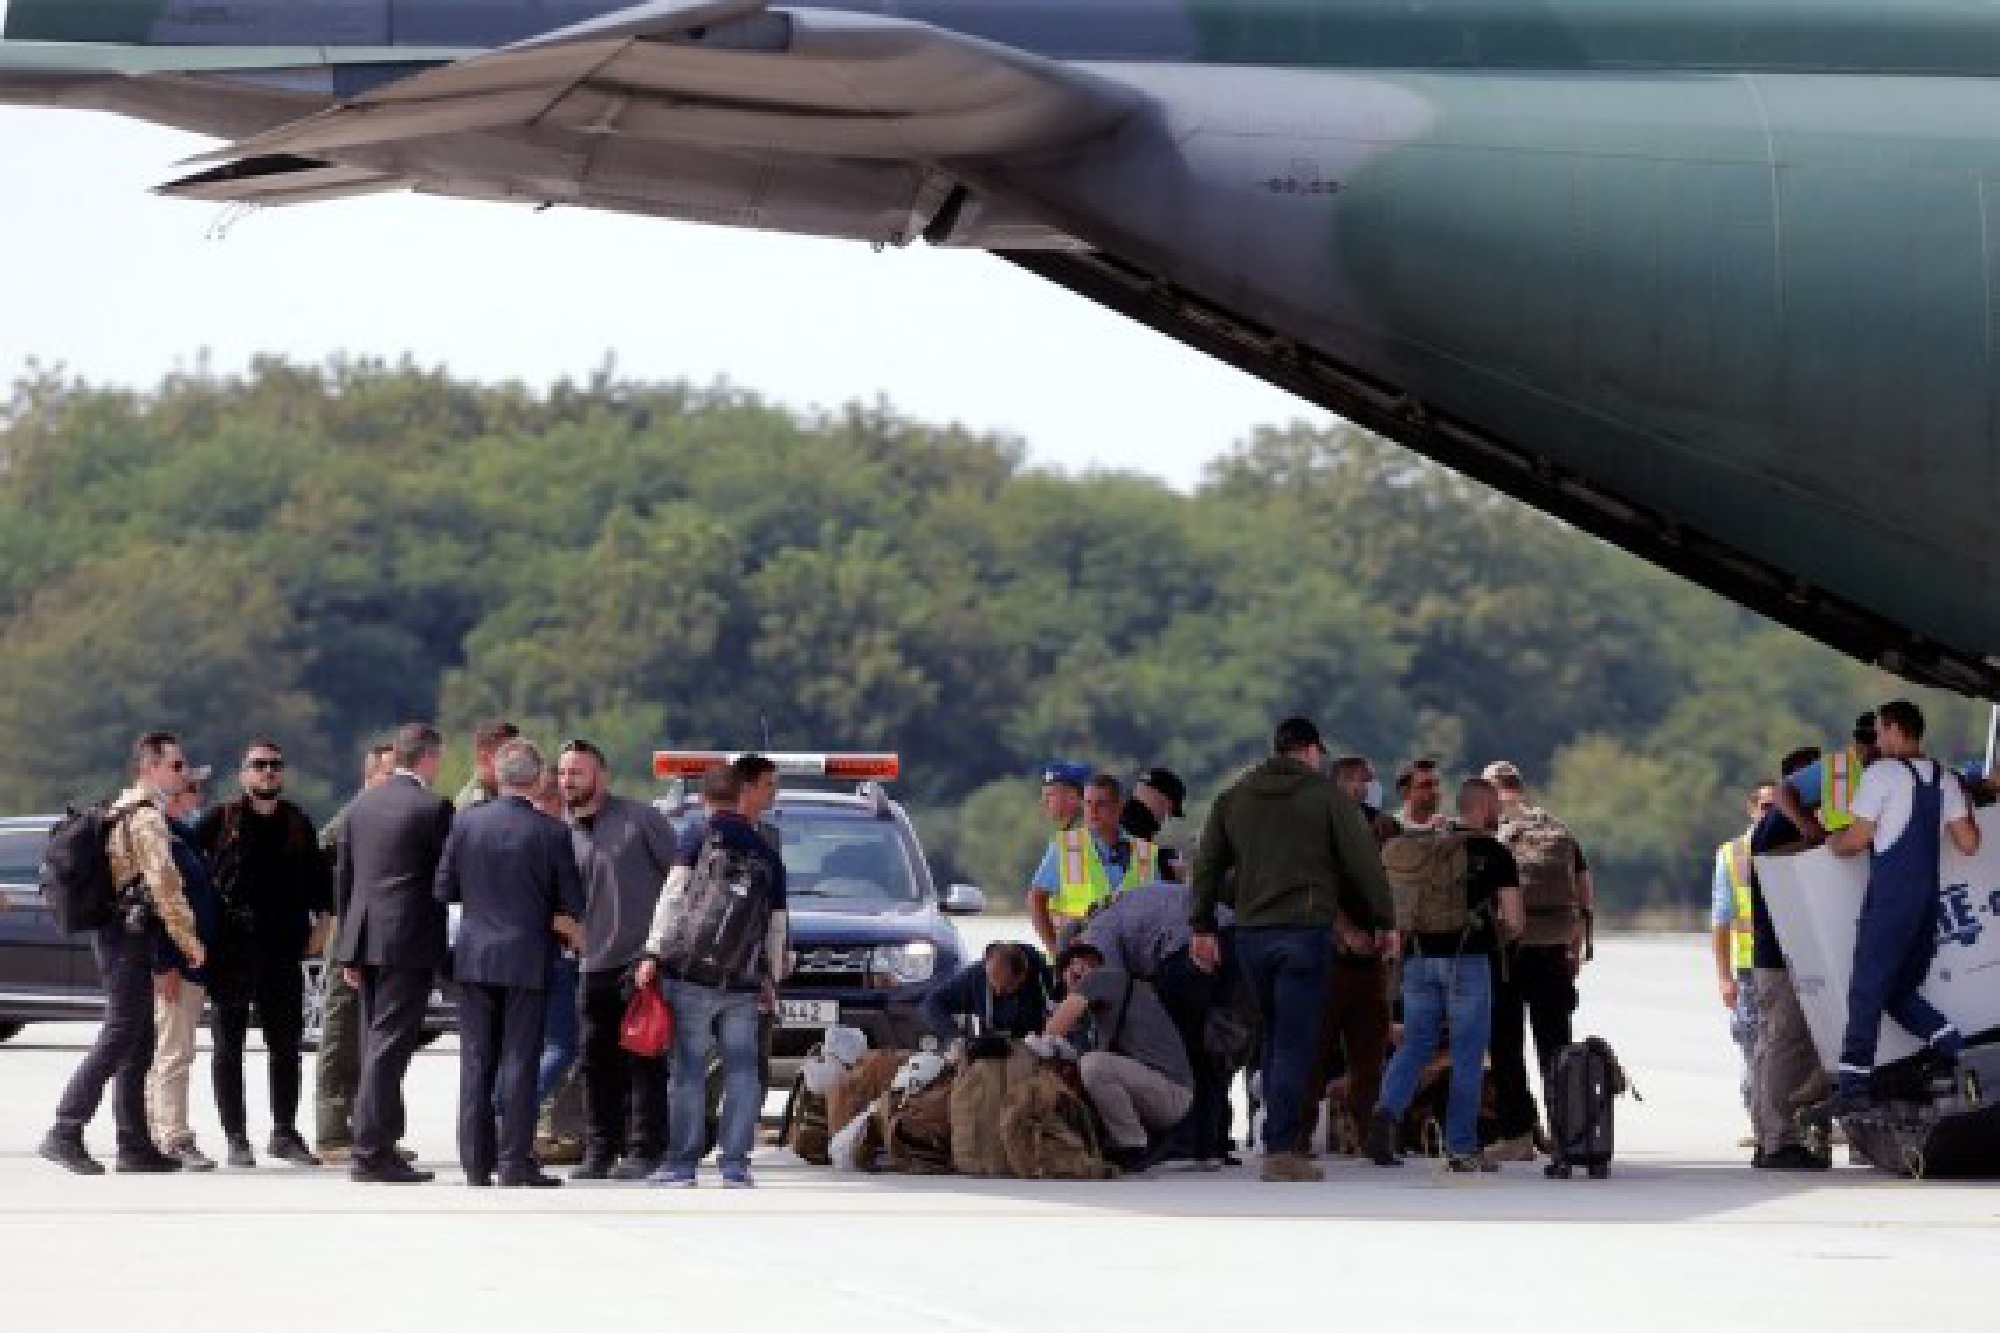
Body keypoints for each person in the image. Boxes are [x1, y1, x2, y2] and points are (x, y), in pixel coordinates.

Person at [1190, 716, 1395, 1183]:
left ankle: (1273, 1136)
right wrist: (1385, 920)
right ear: (1310, 750)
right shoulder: (1326, 798)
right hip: (1303, 933)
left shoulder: (1233, 797)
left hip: (1250, 937)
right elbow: (1363, 863)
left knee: (1272, 1036)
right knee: (1294, 1041)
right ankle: (1281, 1148)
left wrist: (1201, 925)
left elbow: (1206, 864)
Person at [41, 731, 206, 1175]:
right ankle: (65, 1129)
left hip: (127, 933)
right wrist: (190, 941)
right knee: (121, 1033)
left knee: (140, 1039)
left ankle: (134, 1144)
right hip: (125, 936)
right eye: (176, 766)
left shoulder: (126, 809)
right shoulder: (145, 817)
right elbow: (164, 883)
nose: (183, 773)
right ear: (149, 769)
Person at [1811, 700, 1980, 1123]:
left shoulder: (1881, 774)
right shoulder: (1943, 777)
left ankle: (1853, 1089)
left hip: (1891, 898)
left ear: (1897, 730)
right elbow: (1969, 843)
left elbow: (1854, 842)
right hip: (1927, 901)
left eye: (1880, 731)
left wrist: (1830, 840)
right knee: (1898, 990)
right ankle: (1955, 1050)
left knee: (1866, 989)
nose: (1877, 740)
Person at [436, 739, 586, 1188]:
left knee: (476, 1062)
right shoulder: (552, 833)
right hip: (527, 957)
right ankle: (515, 1162)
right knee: (521, 1060)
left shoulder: (464, 825)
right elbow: (573, 903)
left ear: (498, 776)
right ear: (539, 779)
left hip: (476, 955)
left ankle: (475, 1163)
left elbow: (444, 889)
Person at [636, 759, 790, 1188]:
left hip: (689, 975)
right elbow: (776, 927)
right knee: (743, 1071)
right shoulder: (768, 853)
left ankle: (682, 1166)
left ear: (704, 799)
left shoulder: (696, 836)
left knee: (687, 1071)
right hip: (741, 983)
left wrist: (653, 952)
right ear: (742, 793)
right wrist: (770, 978)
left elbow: (672, 897)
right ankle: (735, 1166)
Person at [1367, 777, 1524, 1172]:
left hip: (1418, 959)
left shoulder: (1428, 846)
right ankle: (1461, 1148)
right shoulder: (1493, 852)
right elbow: (1516, 920)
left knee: (1416, 1044)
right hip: (1468, 961)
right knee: (1468, 1053)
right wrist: (1495, 939)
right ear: (1485, 807)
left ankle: (1386, 1113)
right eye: (1496, 808)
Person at [191, 738, 334, 1168]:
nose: (268, 771)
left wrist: (323, 926)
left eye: (274, 764)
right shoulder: (221, 820)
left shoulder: (297, 823)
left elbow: (319, 882)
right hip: (231, 952)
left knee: (286, 1047)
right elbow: (190, 874)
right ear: (243, 774)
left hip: (282, 951)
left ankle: (284, 1133)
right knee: (227, 1047)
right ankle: (236, 1136)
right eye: (259, 765)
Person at [335, 722, 454, 1184]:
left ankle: (379, 1143)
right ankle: (369, 1151)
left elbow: (345, 878)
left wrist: (348, 948)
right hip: (408, 938)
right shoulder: (433, 807)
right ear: (428, 757)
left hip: (366, 938)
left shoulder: (362, 804)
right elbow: (447, 878)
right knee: (390, 1045)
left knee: (376, 1042)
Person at [558, 738, 681, 1181]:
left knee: (645, 1060)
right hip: (590, 968)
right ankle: (599, 1151)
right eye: (563, 773)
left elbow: (681, 882)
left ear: (600, 777)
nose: (568, 781)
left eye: (577, 772)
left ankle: (645, 1149)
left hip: (641, 963)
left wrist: (661, 949)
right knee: (595, 1062)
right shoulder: (560, 832)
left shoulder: (641, 820)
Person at [1481, 759, 1595, 1163]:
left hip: (1508, 952)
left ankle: (1517, 1136)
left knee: (1507, 1046)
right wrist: (1575, 944)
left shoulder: (1491, 830)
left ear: (1491, 790)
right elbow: (1583, 889)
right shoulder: (1557, 828)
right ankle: (1567, 1133)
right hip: (1553, 949)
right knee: (1555, 1044)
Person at [1080, 878, 1234, 1166]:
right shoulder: (1140, 897)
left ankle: (1183, 1144)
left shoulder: (1097, 930)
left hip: (1188, 948)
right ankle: (1211, 1144)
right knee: (1209, 1047)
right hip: (1230, 935)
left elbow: (1112, 987)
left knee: (1175, 1047)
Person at [1746, 748, 1832, 1169]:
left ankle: (1771, 1136)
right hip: (1781, 957)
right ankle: (1780, 1140)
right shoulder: (1780, 825)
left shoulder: (1771, 824)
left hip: (1772, 956)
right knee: (1788, 1046)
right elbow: (1823, 846)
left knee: (1772, 1047)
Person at [1044, 942, 1194, 1174]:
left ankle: (1131, 1144)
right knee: (1087, 1065)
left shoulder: (1101, 978)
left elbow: (1050, 1035)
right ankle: (1124, 1140)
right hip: (1162, 1090)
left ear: (1078, 967)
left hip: (1171, 1093)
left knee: (1094, 1065)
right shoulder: (1108, 1000)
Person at [313, 741, 395, 1162]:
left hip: (376, 932)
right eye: (387, 773)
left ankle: (368, 1125)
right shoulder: (354, 814)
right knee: (341, 1029)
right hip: (349, 932)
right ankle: (330, 1132)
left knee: (371, 1033)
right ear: (369, 777)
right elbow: (319, 857)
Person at [146, 763, 223, 1171]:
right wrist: (167, 964)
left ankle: (154, 1128)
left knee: (168, 1049)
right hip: (177, 963)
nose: (199, 798)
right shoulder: (161, 838)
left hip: (191, 961)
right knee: (175, 1051)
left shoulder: (181, 835)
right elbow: (159, 906)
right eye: (193, 789)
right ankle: (173, 1136)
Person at [1028, 774, 1163, 958]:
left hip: (1131, 962)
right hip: (1078, 963)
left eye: (1100, 804)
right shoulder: (1066, 846)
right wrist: (1056, 950)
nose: (1092, 810)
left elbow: (1156, 911)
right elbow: (1036, 899)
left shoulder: (1146, 854)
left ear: (1118, 806)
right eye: (1088, 803)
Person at [1711, 781, 1776, 1137]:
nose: (1771, 814)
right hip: (1750, 968)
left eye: (1777, 806)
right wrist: (1724, 977)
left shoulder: (1793, 843)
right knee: (1753, 1046)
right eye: (1765, 807)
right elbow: (1720, 921)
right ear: (1752, 810)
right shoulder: (1732, 855)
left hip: (1789, 966)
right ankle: (1759, 1120)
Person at [1774, 712, 1881, 845]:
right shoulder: (1841, 768)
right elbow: (1843, 831)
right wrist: (1811, 829)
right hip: (1778, 838)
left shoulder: (1874, 769)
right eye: (1867, 739)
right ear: (1857, 741)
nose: (1875, 746)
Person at [920, 941, 1053, 1041]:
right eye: (992, 982)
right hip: (993, 1051)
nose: (998, 992)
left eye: (1007, 987)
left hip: (1037, 1047)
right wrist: (955, 1037)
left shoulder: (1046, 977)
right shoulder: (977, 975)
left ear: (1024, 973)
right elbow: (932, 1003)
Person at [1122, 766, 1189, 881]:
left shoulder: (1116, 819)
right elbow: (1129, 875)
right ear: (1162, 800)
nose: (1165, 818)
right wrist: (1168, 871)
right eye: (1169, 810)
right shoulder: (1137, 828)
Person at [455, 719, 521, 810]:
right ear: (483, 757)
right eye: (506, 754)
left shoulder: (513, 792)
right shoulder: (470, 805)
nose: (515, 762)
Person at [1395, 758, 1446, 832]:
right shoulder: (1391, 833)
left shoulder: (1449, 830)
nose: (1435, 791)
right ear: (1405, 792)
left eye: (1437, 784)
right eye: (1426, 785)